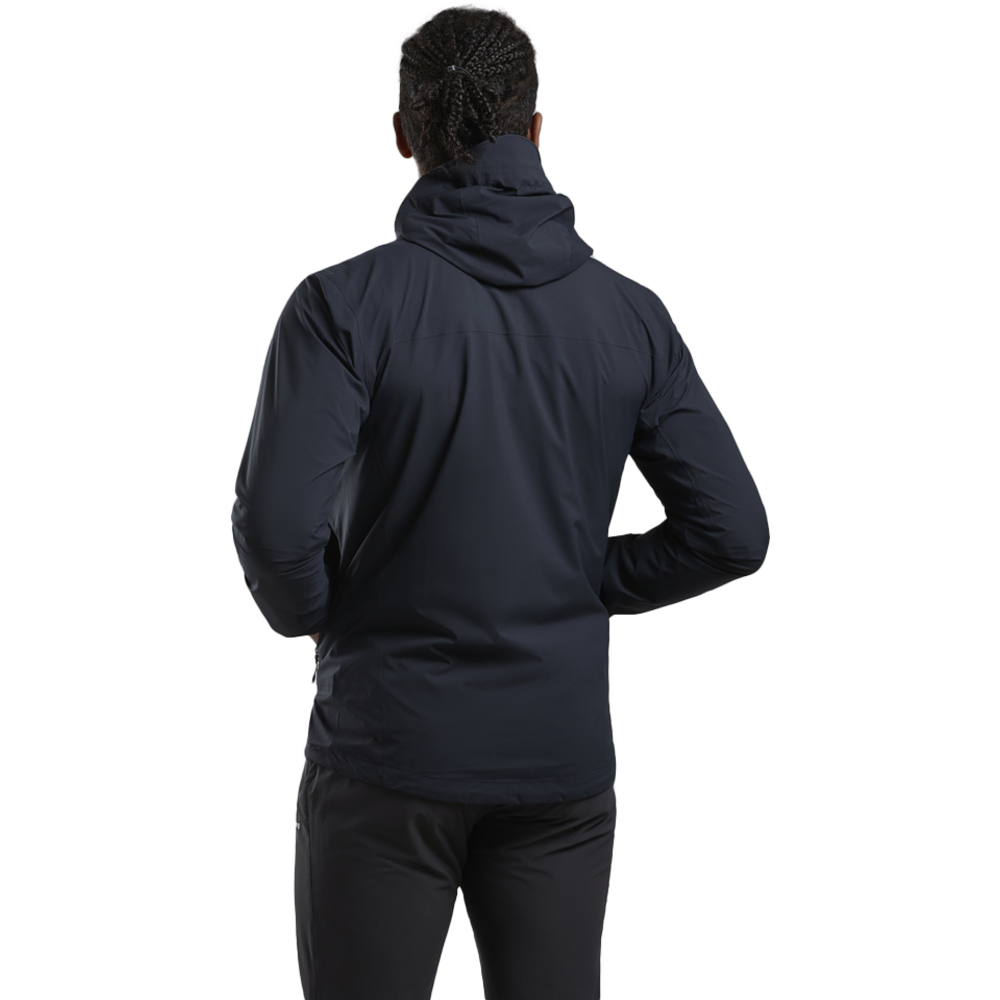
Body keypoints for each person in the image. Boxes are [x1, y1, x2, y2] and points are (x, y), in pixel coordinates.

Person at [229, 3, 770, 997]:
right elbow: (733, 534)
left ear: (402, 134)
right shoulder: (632, 314)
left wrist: (318, 613)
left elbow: (274, 529)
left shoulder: (341, 304)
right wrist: (585, 575)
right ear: (536, 127)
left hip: (389, 749)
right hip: (557, 761)